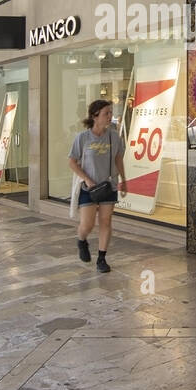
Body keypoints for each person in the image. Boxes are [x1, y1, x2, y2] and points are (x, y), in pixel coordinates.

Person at [67, 99, 127, 274]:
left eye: (110, 112)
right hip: (89, 188)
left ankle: (102, 258)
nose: (110, 116)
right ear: (95, 116)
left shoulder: (114, 136)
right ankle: (81, 239)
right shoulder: (83, 138)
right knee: (87, 224)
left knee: (106, 221)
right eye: (106, 113)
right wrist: (86, 179)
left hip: (109, 185)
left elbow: (118, 159)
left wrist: (124, 180)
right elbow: (72, 162)